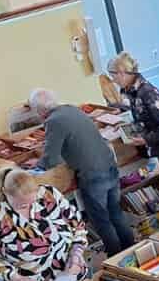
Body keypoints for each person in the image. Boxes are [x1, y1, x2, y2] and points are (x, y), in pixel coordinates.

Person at [34, 87, 134, 255]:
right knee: (116, 213)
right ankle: (132, 252)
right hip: (109, 165)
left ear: (40, 110)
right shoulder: (71, 109)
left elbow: (51, 159)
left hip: (92, 175)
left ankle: (116, 259)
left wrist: (36, 167)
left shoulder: (53, 121)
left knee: (102, 221)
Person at [0, 167, 88, 281]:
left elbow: (77, 226)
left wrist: (76, 254)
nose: (28, 206)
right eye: (22, 205)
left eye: (32, 202)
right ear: (5, 192)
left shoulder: (48, 195)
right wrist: (17, 279)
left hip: (73, 278)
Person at [107, 52, 159, 218]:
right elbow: (142, 113)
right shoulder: (131, 90)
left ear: (122, 72)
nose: (113, 80)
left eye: (113, 75)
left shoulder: (146, 92)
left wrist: (145, 139)